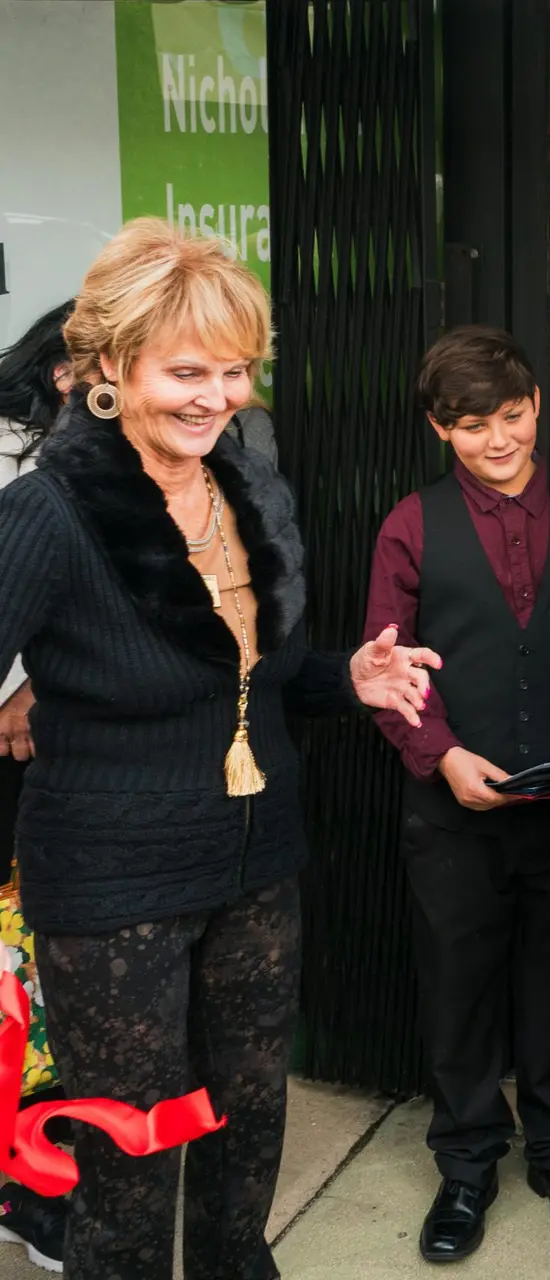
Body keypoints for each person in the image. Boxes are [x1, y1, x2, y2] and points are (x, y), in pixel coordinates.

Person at [0, 218, 439, 1278]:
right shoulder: (48, 511)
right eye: (187, 371)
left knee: (248, 1137)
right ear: (109, 368)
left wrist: (349, 677)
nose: (219, 397)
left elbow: (251, 678)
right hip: (113, 884)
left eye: (236, 370)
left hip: (257, 866)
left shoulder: (248, 487)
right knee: (130, 1179)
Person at [363, 325, 550, 1263]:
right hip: (450, 809)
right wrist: (443, 755)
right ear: (438, 428)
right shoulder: (410, 525)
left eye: (512, 415)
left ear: (537, 403)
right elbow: (391, 671)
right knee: (459, 985)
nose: (498, 439)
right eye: (472, 425)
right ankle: (465, 1166)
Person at [0, 298, 76, 1273]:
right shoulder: (20, 466)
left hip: (46, 754)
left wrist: (35, 687)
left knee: (32, 974)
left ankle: (35, 1179)